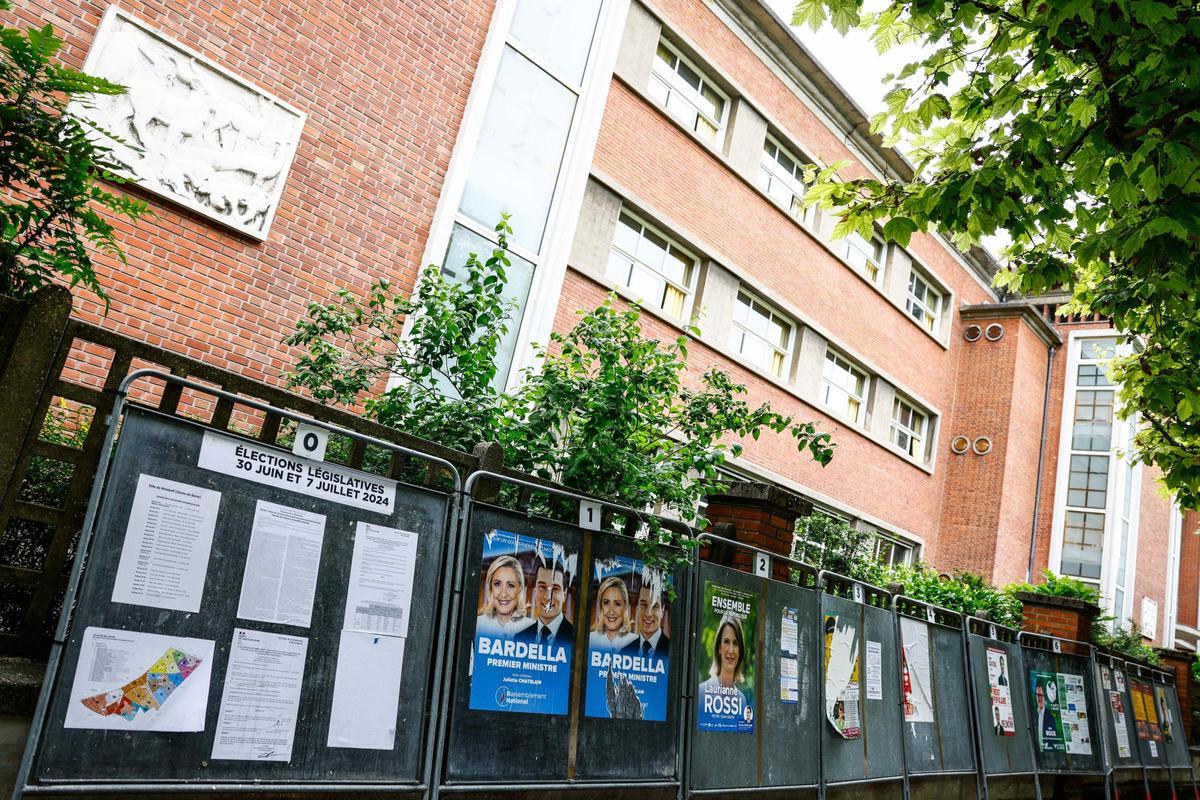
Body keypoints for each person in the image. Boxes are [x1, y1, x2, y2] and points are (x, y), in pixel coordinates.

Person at [516, 557, 574, 647]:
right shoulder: (519, 638)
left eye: (555, 589)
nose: (547, 597)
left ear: (565, 595)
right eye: (542, 587)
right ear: (535, 590)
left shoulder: (577, 640)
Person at [698, 615, 748, 715]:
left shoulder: (742, 701)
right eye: (726, 642)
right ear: (719, 648)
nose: (731, 650)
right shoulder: (701, 692)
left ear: (740, 651)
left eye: (735, 643)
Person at [475, 555, 532, 638]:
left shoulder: (531, 628)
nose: (503, 594)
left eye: (511, 585)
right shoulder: (478, 625)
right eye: (497, 584)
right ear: (491, 588)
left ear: (520, 589)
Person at [620, 581, 669, 659]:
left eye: (655, 606)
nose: (648, 613)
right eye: (643, 604)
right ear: (637, 607)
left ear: (662, 611)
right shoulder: (624, 652)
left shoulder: (672, 651)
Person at [589, 576, 635, 651]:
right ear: (601, 607)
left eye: (617, 604)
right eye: (606, 603)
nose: (611, 611)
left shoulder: (635, 642)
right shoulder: (590, 641)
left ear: (625, 606)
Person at [1034, 682, 1058, 750]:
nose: (1040, 698)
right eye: (1038, 695)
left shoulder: (1051, 718)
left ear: (1045, 697)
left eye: (1042, 695)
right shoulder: (1033, 715)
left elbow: (1054, 742)